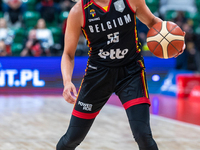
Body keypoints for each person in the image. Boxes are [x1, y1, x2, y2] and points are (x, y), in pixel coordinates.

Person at [56, 0, 185, 150]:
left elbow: (152, 22)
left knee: (143, 135)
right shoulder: (79, 11)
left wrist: (174, 40)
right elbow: (68, 54)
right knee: (72, 138)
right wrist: (67, 81)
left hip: (131, 72)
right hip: (98, 75)